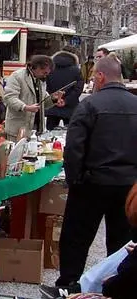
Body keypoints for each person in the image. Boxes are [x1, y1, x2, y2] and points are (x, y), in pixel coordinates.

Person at [39, 54, 137, 298]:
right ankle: (114, 287)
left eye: (94, 77)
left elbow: (74, 148)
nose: (92, 81)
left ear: (101, 76)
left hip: (93, 182)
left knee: (76, 239)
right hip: (128, 184)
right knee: (122, 243)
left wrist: (75, 179)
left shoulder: (91, 105)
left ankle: (67, 287)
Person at [3, 55, 65, 141]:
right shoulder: (17, 76)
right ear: (36, 67)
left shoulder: (40, 80)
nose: (45, 76)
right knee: (17, 153)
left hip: (36, 129)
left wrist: (53, 99)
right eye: (44, 72)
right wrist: (25, 107)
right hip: (18, 129)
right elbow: (9, 98)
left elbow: (42, 102)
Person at [45, 50, 84, 130]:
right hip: (70, 107)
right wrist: (66, 100)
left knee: (49, 132)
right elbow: (78, 89)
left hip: (52, 106)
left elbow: (45, 87)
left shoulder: (49, 70)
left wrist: (54, 100)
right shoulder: (76, 70)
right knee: (71, 132)